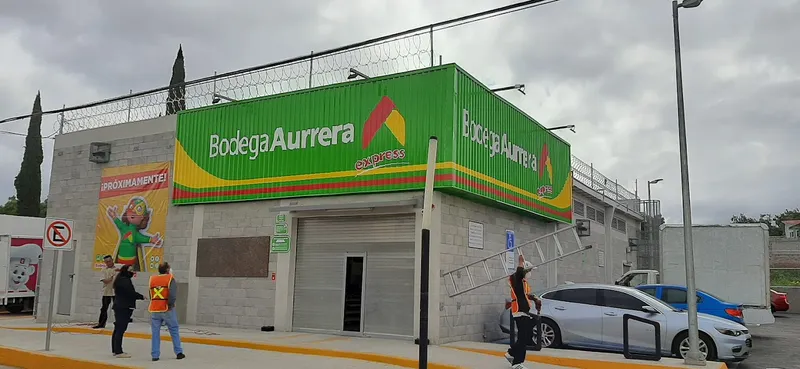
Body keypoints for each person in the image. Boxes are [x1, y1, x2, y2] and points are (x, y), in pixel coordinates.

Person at [504, 254, 542, 369]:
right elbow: (519, 273)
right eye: (529, 270)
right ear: (524, 270)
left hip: (523, 310)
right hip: (519, 310)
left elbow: (524, 295)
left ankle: (511, 353)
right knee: (523, 338)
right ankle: (517, 363)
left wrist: (534, 298)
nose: (530, 273)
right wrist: (520, 262)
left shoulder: (522, 282)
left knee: (524, 336)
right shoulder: (517, 279)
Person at [149, 261, 185, 361]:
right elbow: (172, 294)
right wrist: (170, 304)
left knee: (155, 333)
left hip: (155, 309)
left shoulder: (152, 279)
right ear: (168, 269)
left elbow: (151, 294)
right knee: (174, 330)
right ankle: (179, 352)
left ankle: (155, 355)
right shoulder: (170, 279)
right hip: (167, 309)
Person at [111, 265, 145, 358]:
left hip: (119, 306)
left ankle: (115, 349)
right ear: (126, 271)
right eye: (131, 270)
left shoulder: (120, 279)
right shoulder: (125, 281)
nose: (132, 272)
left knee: (117, 328)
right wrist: (141, 296)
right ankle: (118, 351)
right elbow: (130, 293)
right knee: (121, 328)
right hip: (123, 307)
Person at [93, 255, 117, 329]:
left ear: (112, 260)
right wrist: (111, 278)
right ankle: (101, 323)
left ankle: (119, 323)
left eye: (109, 261)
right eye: (106, 262)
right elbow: (105, 280)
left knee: (117, 308)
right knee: (104, 308)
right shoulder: (103, 270)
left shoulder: (117, 269)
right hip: (106, 292)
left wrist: (111, 279)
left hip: (116, 292)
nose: (108, 263)